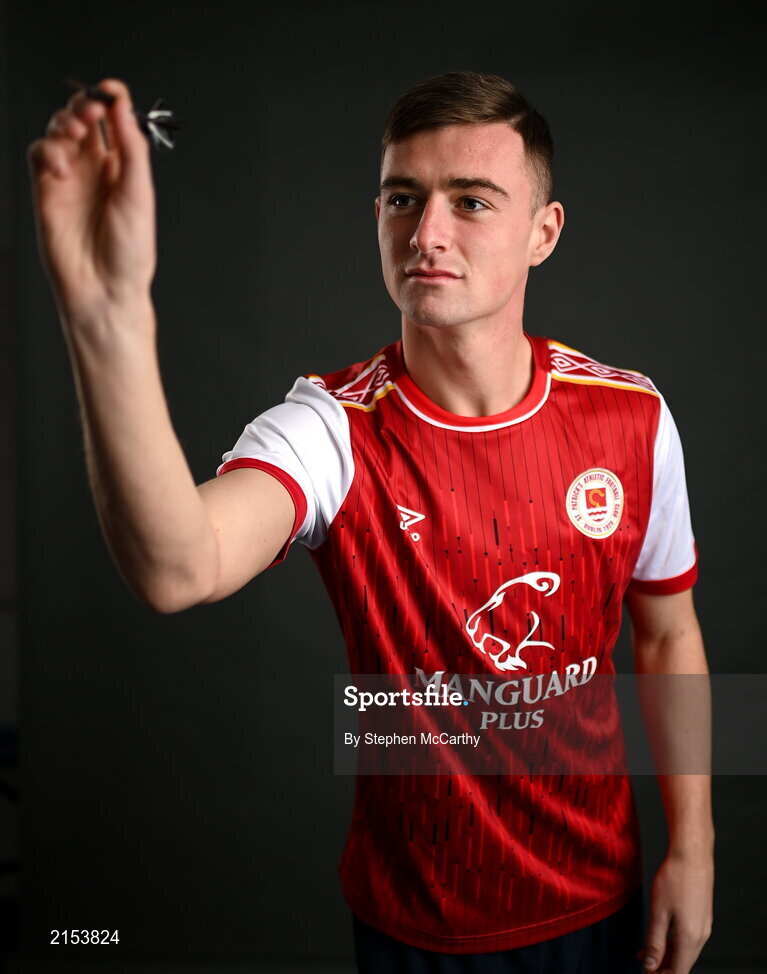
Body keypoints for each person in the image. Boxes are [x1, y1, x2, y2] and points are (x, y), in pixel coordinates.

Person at [28, 70, 714, 973]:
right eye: (402, 198)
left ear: (542, 233)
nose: (426, 233)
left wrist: (694, 849)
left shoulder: (631, 416)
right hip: (413, 925)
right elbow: (177, 567)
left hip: (599, 900)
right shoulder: (331, 429)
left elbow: (666, 634)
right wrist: (107, 319)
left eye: (471, 201)